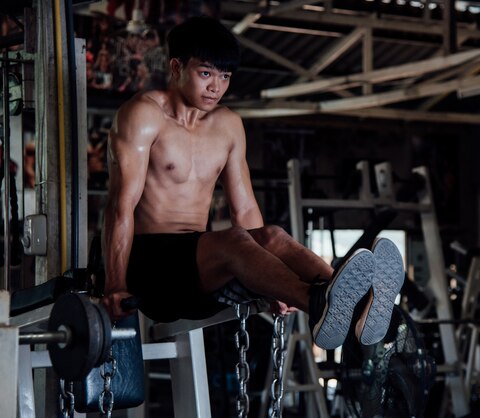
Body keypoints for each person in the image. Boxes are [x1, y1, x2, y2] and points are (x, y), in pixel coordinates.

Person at [100, 16, 405, 350]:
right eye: (206, 73)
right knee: (233, 241)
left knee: (272, 235)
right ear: (177, 67)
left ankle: (360, 304)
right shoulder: (143, 115)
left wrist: (269, 282)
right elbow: (120, 205)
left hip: (200, 266)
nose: (216, 86)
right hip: (151, 270)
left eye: (225, 76)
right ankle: (318, 302)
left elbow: (244, 208)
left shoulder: (228, 125)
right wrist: (116, 284)